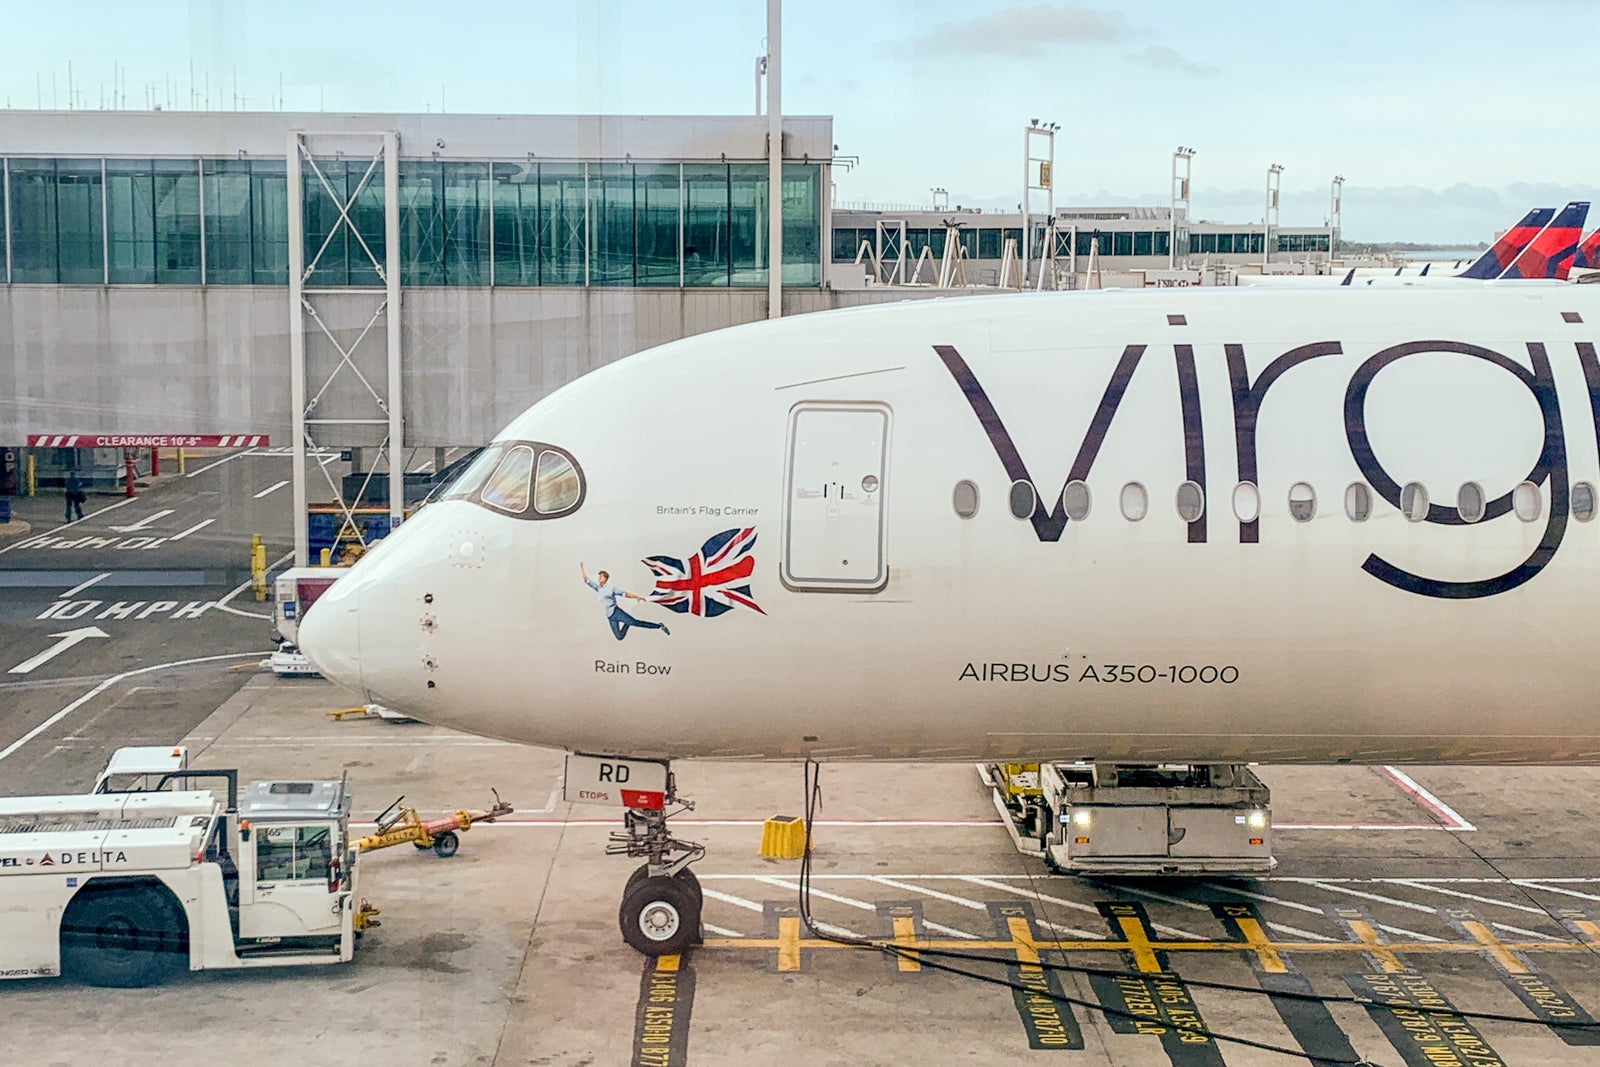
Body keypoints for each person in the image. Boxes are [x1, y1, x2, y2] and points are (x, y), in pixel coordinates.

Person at [581, 562, 670, 641]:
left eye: (601, 576)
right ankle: (628, 623)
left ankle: (659, 626)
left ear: (605, 578)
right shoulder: (598, 588)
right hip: (610, 617)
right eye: (599, 576)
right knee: (619, 637)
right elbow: (586, 580)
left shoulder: (611, 588)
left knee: (635, 623)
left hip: (616, 612)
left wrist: (636, 597)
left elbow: (625, 594)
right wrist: (581, 566)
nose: (599, 578)